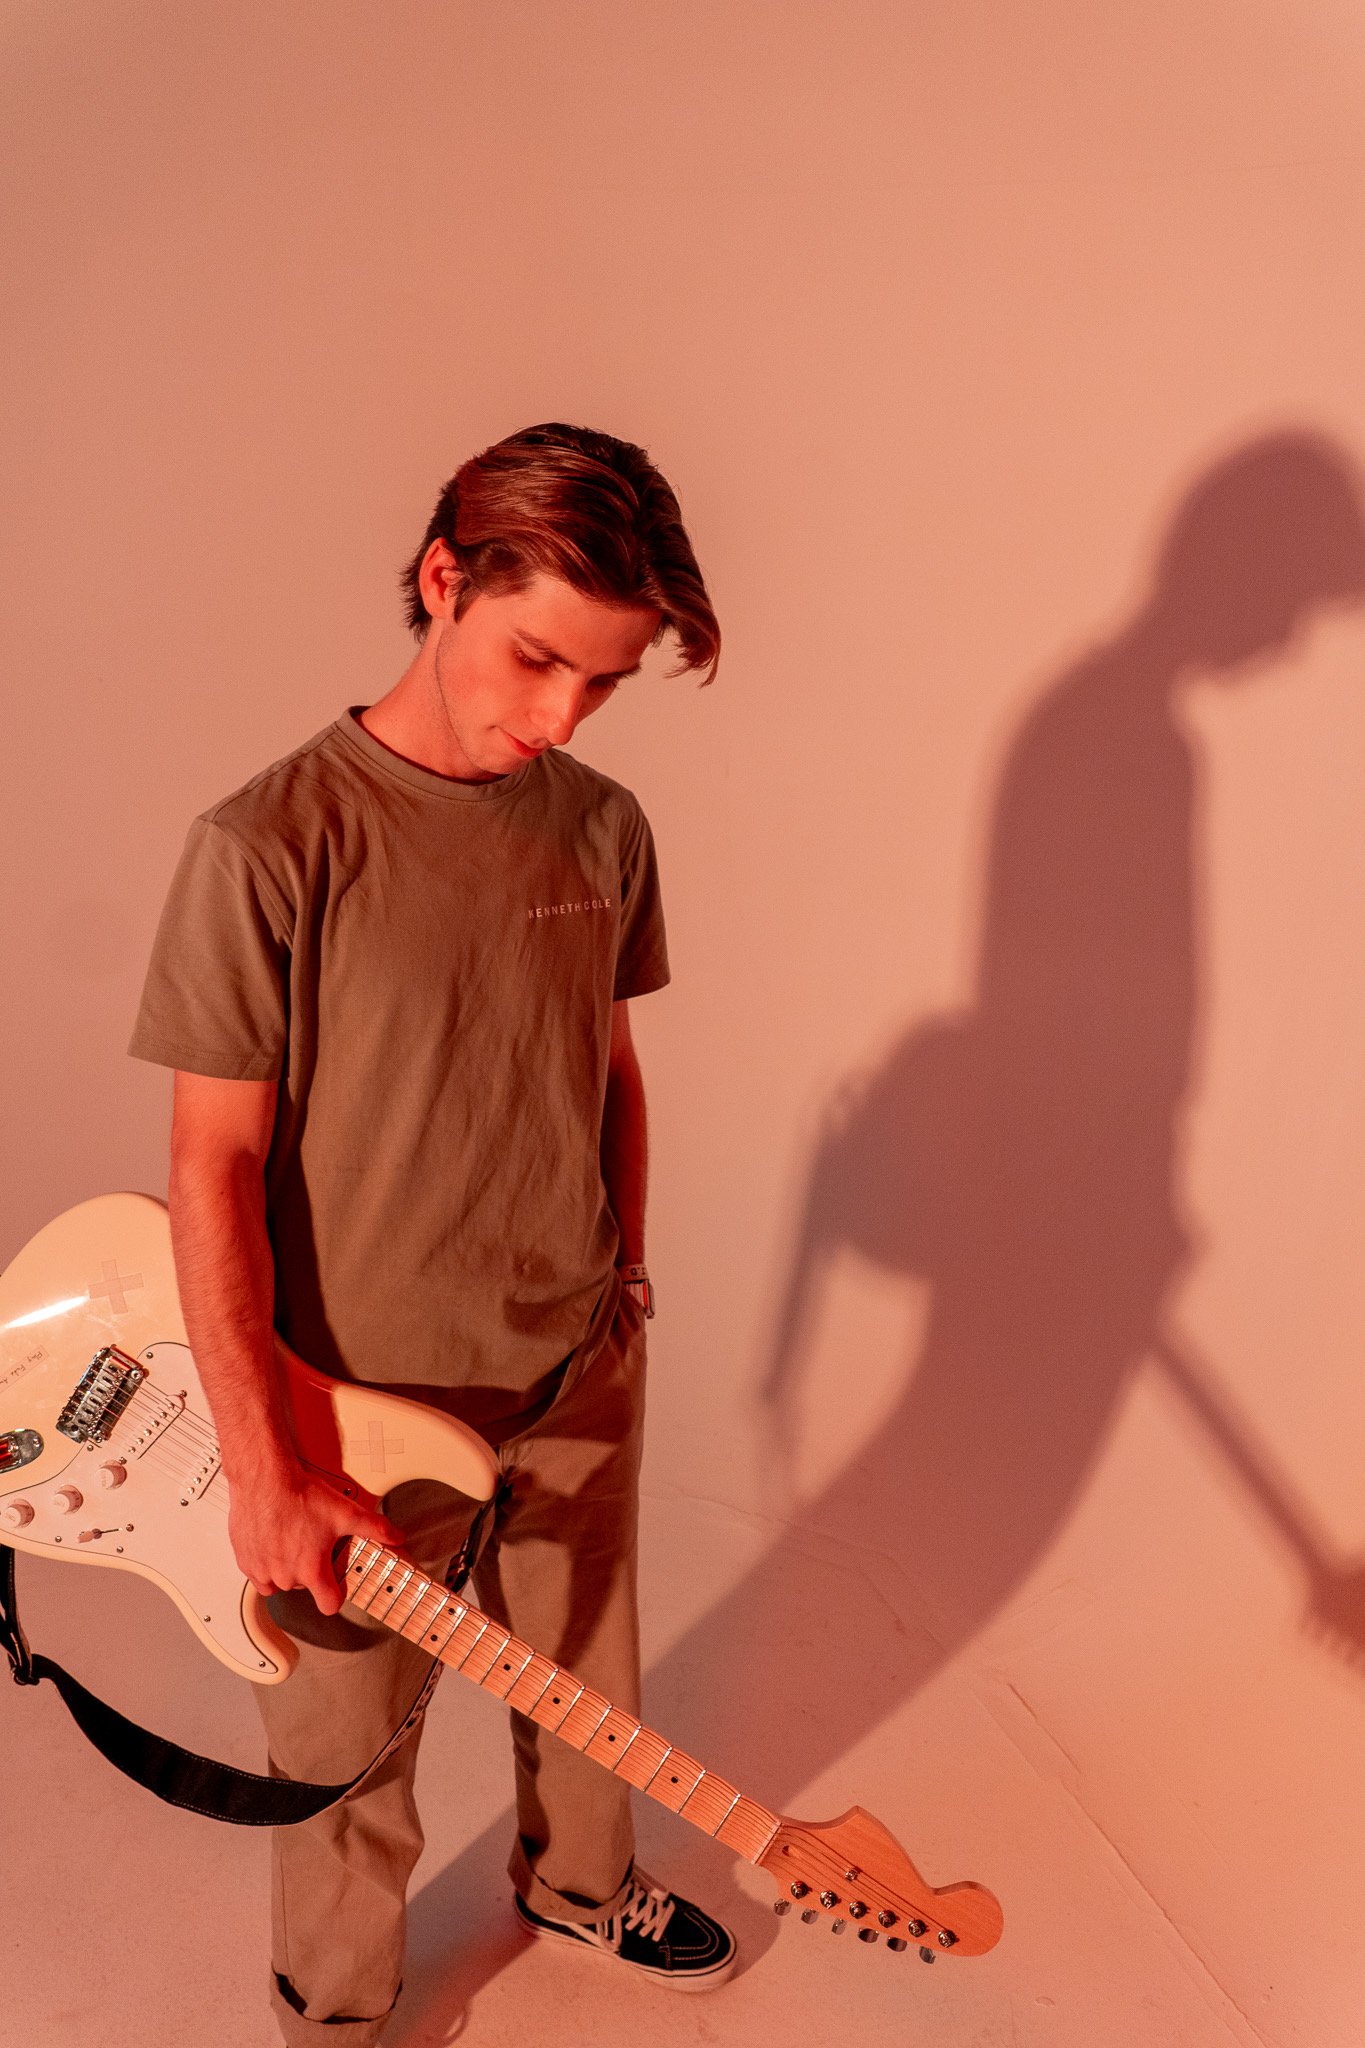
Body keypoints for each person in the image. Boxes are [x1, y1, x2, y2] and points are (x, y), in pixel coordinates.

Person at [128, 422, 736, 2045]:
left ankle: (579, 1887)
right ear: (442, 578)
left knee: (590, 1685)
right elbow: (211, 1170)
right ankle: (333, 2011)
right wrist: (264, 1463)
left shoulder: (600, 829)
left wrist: (622, 1279)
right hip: (354, 1403)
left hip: (572, 1367)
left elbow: (605, 1068)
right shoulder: (265, 847)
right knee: (342, 1750)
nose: (556, 716)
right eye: (537, 658)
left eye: (600, 686)